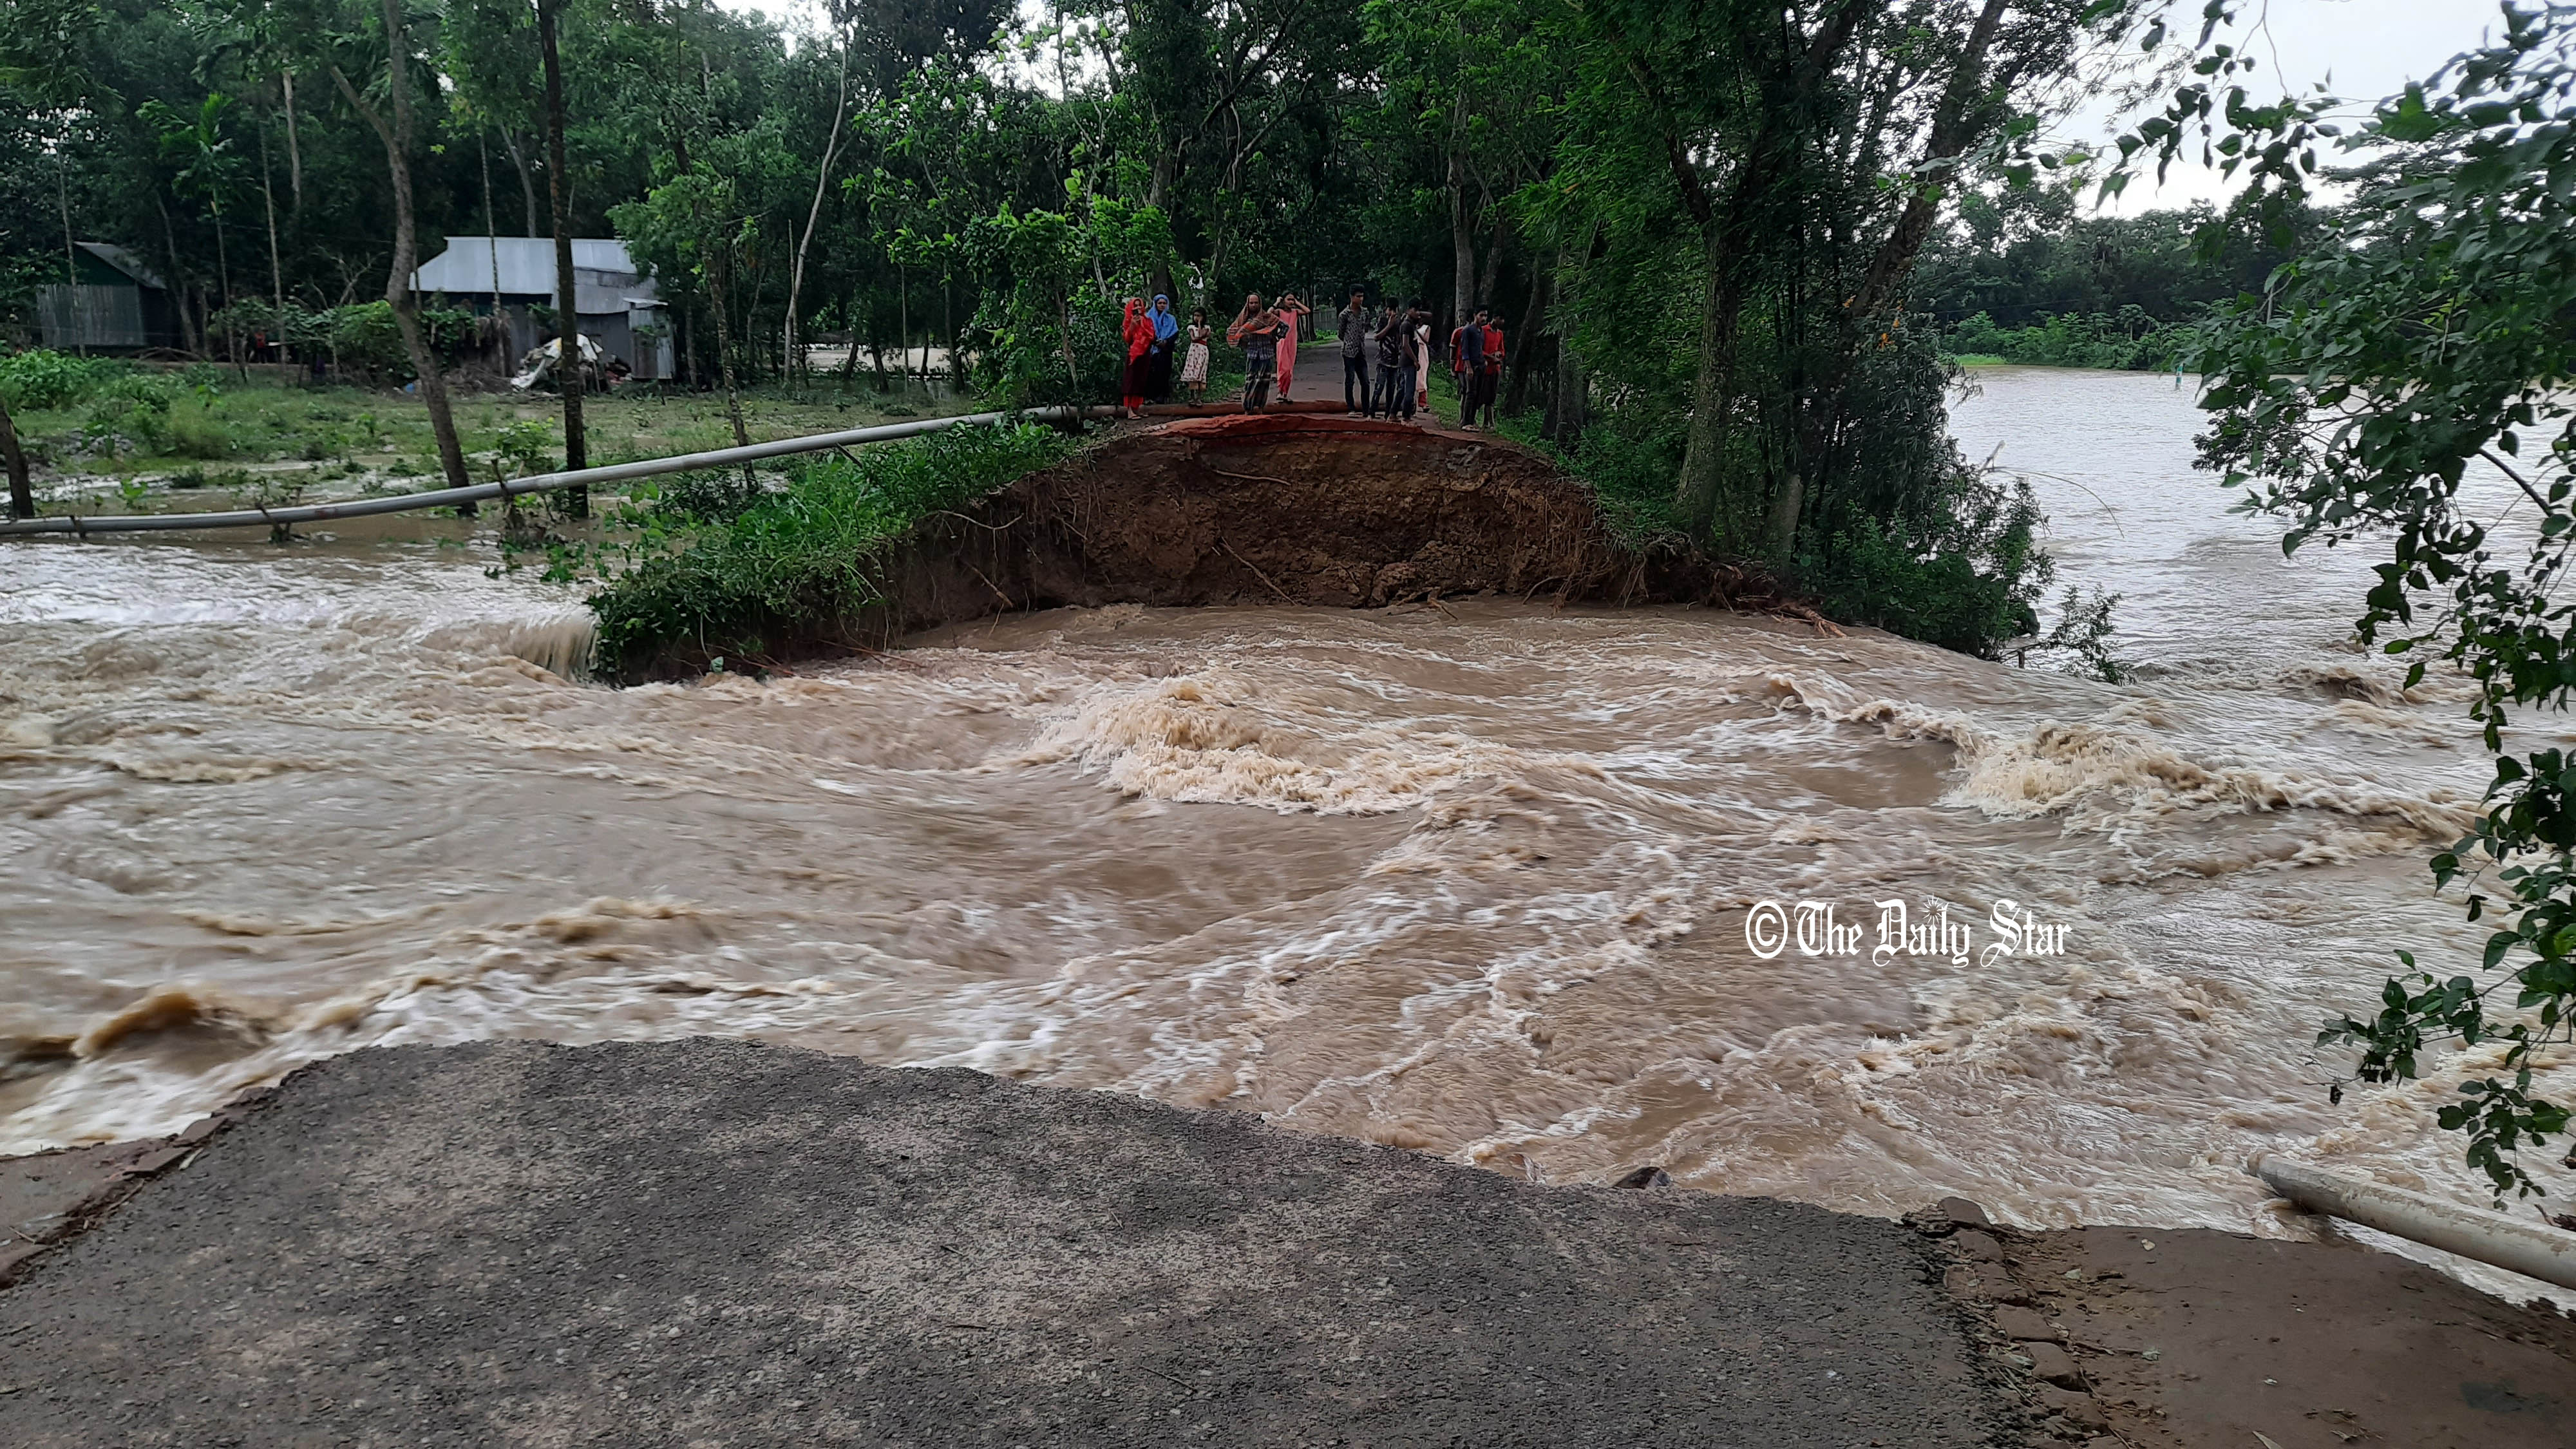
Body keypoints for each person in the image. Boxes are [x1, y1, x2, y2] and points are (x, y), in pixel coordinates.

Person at [1228, 292, 1278, 412]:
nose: (1254, 305)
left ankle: (1259, 407)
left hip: (1266, 353)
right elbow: (1232, 331)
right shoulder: (1243, 319)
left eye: (1256, 303)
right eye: (1251, 303)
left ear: (1260, 304)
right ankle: (1248, 407)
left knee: (1263, 382)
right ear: (1248, 304)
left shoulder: (1268, 318)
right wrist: (1244, 339)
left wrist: (1272, 335)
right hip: (1252, 353)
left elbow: (1282, 327)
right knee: (1250, 381)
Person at [1450, 309, 1488, 428]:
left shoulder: (1481, 331)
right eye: (1481, 315)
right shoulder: (1467, 330)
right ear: (1475, 315)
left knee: (1477, 394)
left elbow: (1480, 348)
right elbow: (1464, 350)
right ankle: (1465, 421)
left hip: (1481, 365)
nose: (1484, 318)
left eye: (1486, 316)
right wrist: (1468, 367)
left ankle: (1472, 420)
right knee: (1470, 393)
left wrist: (1484, 361)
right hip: (1471, 366)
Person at [1119, 296, 1155, 419]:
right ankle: (1129, 410)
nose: (1138, 308)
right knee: (1131, 380)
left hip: (1145, 352)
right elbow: (1127, 338)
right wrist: (1132, 326)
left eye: (1140, 305)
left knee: (1141, 380)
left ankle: (1136, 408)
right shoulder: (1128, 321)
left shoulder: (1147, 320)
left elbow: (1152, 335)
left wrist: (1143, 326)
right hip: (1133, 353)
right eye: (1136, 306)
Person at [1337, 290, 1372, 416]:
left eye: (1362, 296)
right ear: (1351, 297)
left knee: (1366, 382)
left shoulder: (1365, 312)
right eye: (1358, 296)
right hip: (1349, 352)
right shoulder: (1345, 315)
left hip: (1361, 351)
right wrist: (1349, 341)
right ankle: (1351, 408)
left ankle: (1366, 410)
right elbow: (1341, 333)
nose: (1361, 299)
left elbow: (1366, 328)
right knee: (1350, 380)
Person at [1272, 291, 1311, 402]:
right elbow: (1269, 313)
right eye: (1289, 299)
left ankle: (1285, 393)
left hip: (1292, 343)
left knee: (1290, 371)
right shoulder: (1279, 312)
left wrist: (1297, 303)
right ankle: (1280, 391)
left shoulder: (1295, 312)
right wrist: (1277, 302)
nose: (1291, 302)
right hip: (1282, 342)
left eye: (1292, 300)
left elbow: (1307, 311)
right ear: (1284, 301)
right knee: (1283, 369)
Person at [1147, 294, 1180, 401]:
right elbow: (1146, 332)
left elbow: (1175, 333)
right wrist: (1156, 342)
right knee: (1151, 373)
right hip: (1151, 349)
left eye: (1164, 303)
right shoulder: (1148, 318)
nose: (1162, 305)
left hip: (1166, 350)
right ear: (1155, 304)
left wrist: (1166, 342)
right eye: (1160, 303)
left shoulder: (1171, 319)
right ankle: (1150, 396)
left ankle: (1163, 397)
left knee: (1164, 372)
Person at [1475, 316, 1506, 429]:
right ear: (1495, 318)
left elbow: (1502, 350)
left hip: (1495, 369)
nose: (1502, 322)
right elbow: (1479, 349)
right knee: (1480, 395)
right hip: (1484, 368)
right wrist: (1491, 357)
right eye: (1500, 319)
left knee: (1491, 397)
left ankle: (1488, 424)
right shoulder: (1483, 330)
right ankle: (1473, 420)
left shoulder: (1500, 333)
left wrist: (1499, 354)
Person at [1180, 308, 1212, 404]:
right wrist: (1199, 334)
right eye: (1195, 316)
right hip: (1194, 351)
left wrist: (1199, 324)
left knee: (1201, 372)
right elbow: (1194, 339)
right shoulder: (1191, 327)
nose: (1196, 318)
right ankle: (1192, 397)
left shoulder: (1207, 327)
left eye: (1199, 316)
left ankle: (1199, 398)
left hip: (1203, 351)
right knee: (1192, 371)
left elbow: (1202, 334)